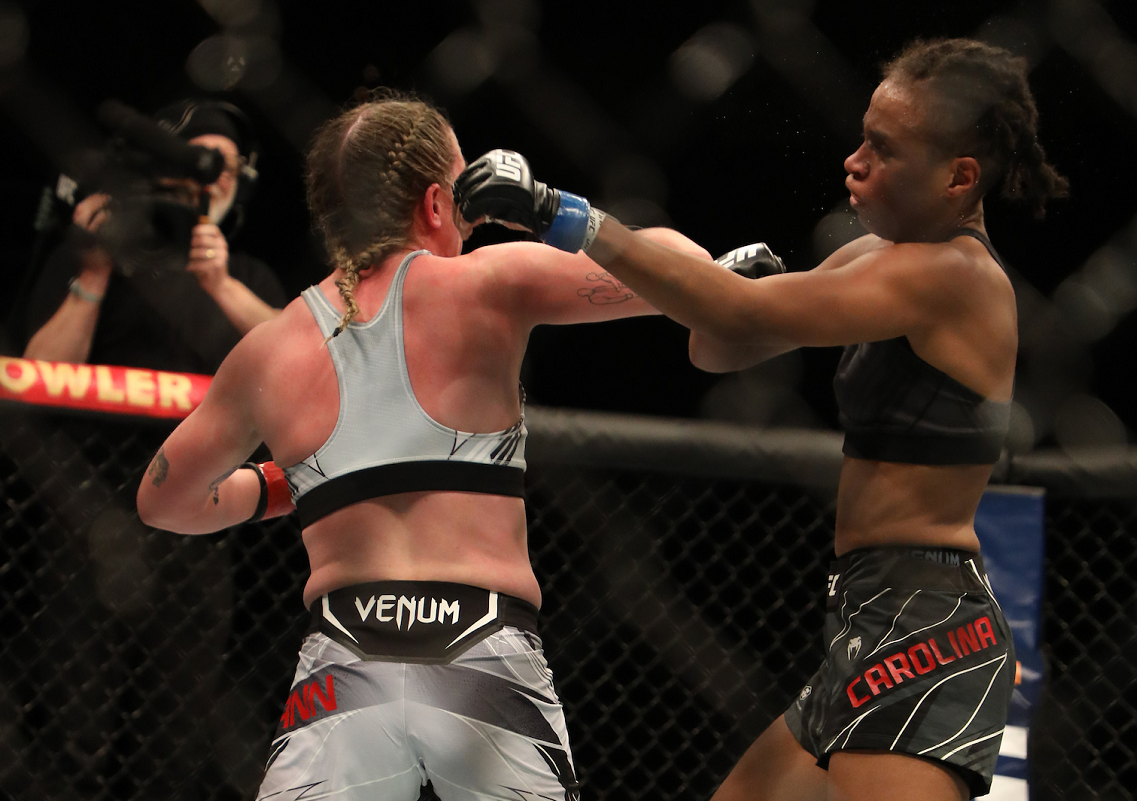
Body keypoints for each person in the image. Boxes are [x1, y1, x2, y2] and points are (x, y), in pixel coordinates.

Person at [455, 38, 1068, 800]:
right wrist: (733, 287)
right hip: (868, 613)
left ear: (959, 177)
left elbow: (734, 314)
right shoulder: (874, 259)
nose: (854, 162)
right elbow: (719, 346)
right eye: (862, 137)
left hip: (924, 624)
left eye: (884, 149)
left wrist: (561, 214)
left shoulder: (955, 276)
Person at [135, 90, 709, 801]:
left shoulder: (270, 347)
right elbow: (684, 267)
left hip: (343, 664)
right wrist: (547, 208)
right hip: (484, 652)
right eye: (464, 196)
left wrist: (294, 482)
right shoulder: (487, 282)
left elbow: (164, 501)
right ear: (438, 204)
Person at [23, 99, 286, 373]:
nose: (212, 177)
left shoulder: (250, 275)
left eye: (228, 167)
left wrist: (222, 285)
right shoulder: (88, 256)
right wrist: (93, 275)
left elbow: (291, 359)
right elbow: (38, 376)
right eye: (197, 160)